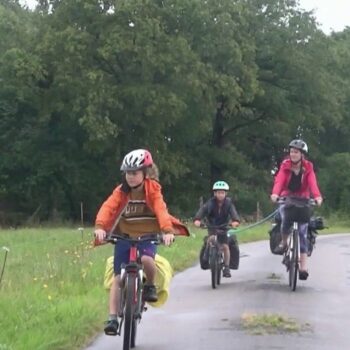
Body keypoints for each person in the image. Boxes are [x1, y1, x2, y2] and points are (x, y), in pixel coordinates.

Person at [94, 149, 189, 336]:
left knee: (146, 260)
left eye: (135, 172)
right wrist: (100, 227)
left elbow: (161, 209)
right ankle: (112, 318)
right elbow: (108, 207)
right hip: (125, 237)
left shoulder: (152, 189)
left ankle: (150, 285)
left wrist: (167, 231)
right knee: (118, 279)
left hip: (147, 236)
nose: (130, 177)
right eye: (128, 173)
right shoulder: (121, 191)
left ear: (146, 173)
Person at [270, 139, 323, 280]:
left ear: (302, 154)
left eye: (296, 152)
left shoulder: (308, 167)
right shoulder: (285, 165)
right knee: (285, 219)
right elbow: (279, 180)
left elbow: (313, 183)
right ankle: (284, 243)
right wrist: (275, 194)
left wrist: (317, 197)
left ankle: (303, 267)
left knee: (302, 232)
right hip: (287, 197)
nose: (293, 154)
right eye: (291, 151)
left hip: (303, 198)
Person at [194, 181, 240, 278]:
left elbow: (234, 215)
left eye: (222, 192)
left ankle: (226, 268)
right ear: (215, 193)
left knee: (225, 246)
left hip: (224, 227)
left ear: (225, 194)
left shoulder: (229, 204)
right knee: (210, 239)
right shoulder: (210, 203)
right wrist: (197, 220)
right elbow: (201, 211)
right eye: (218, 192)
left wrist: (235, 222)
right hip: (212, 226)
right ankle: (206, 257)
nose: (220, 195)